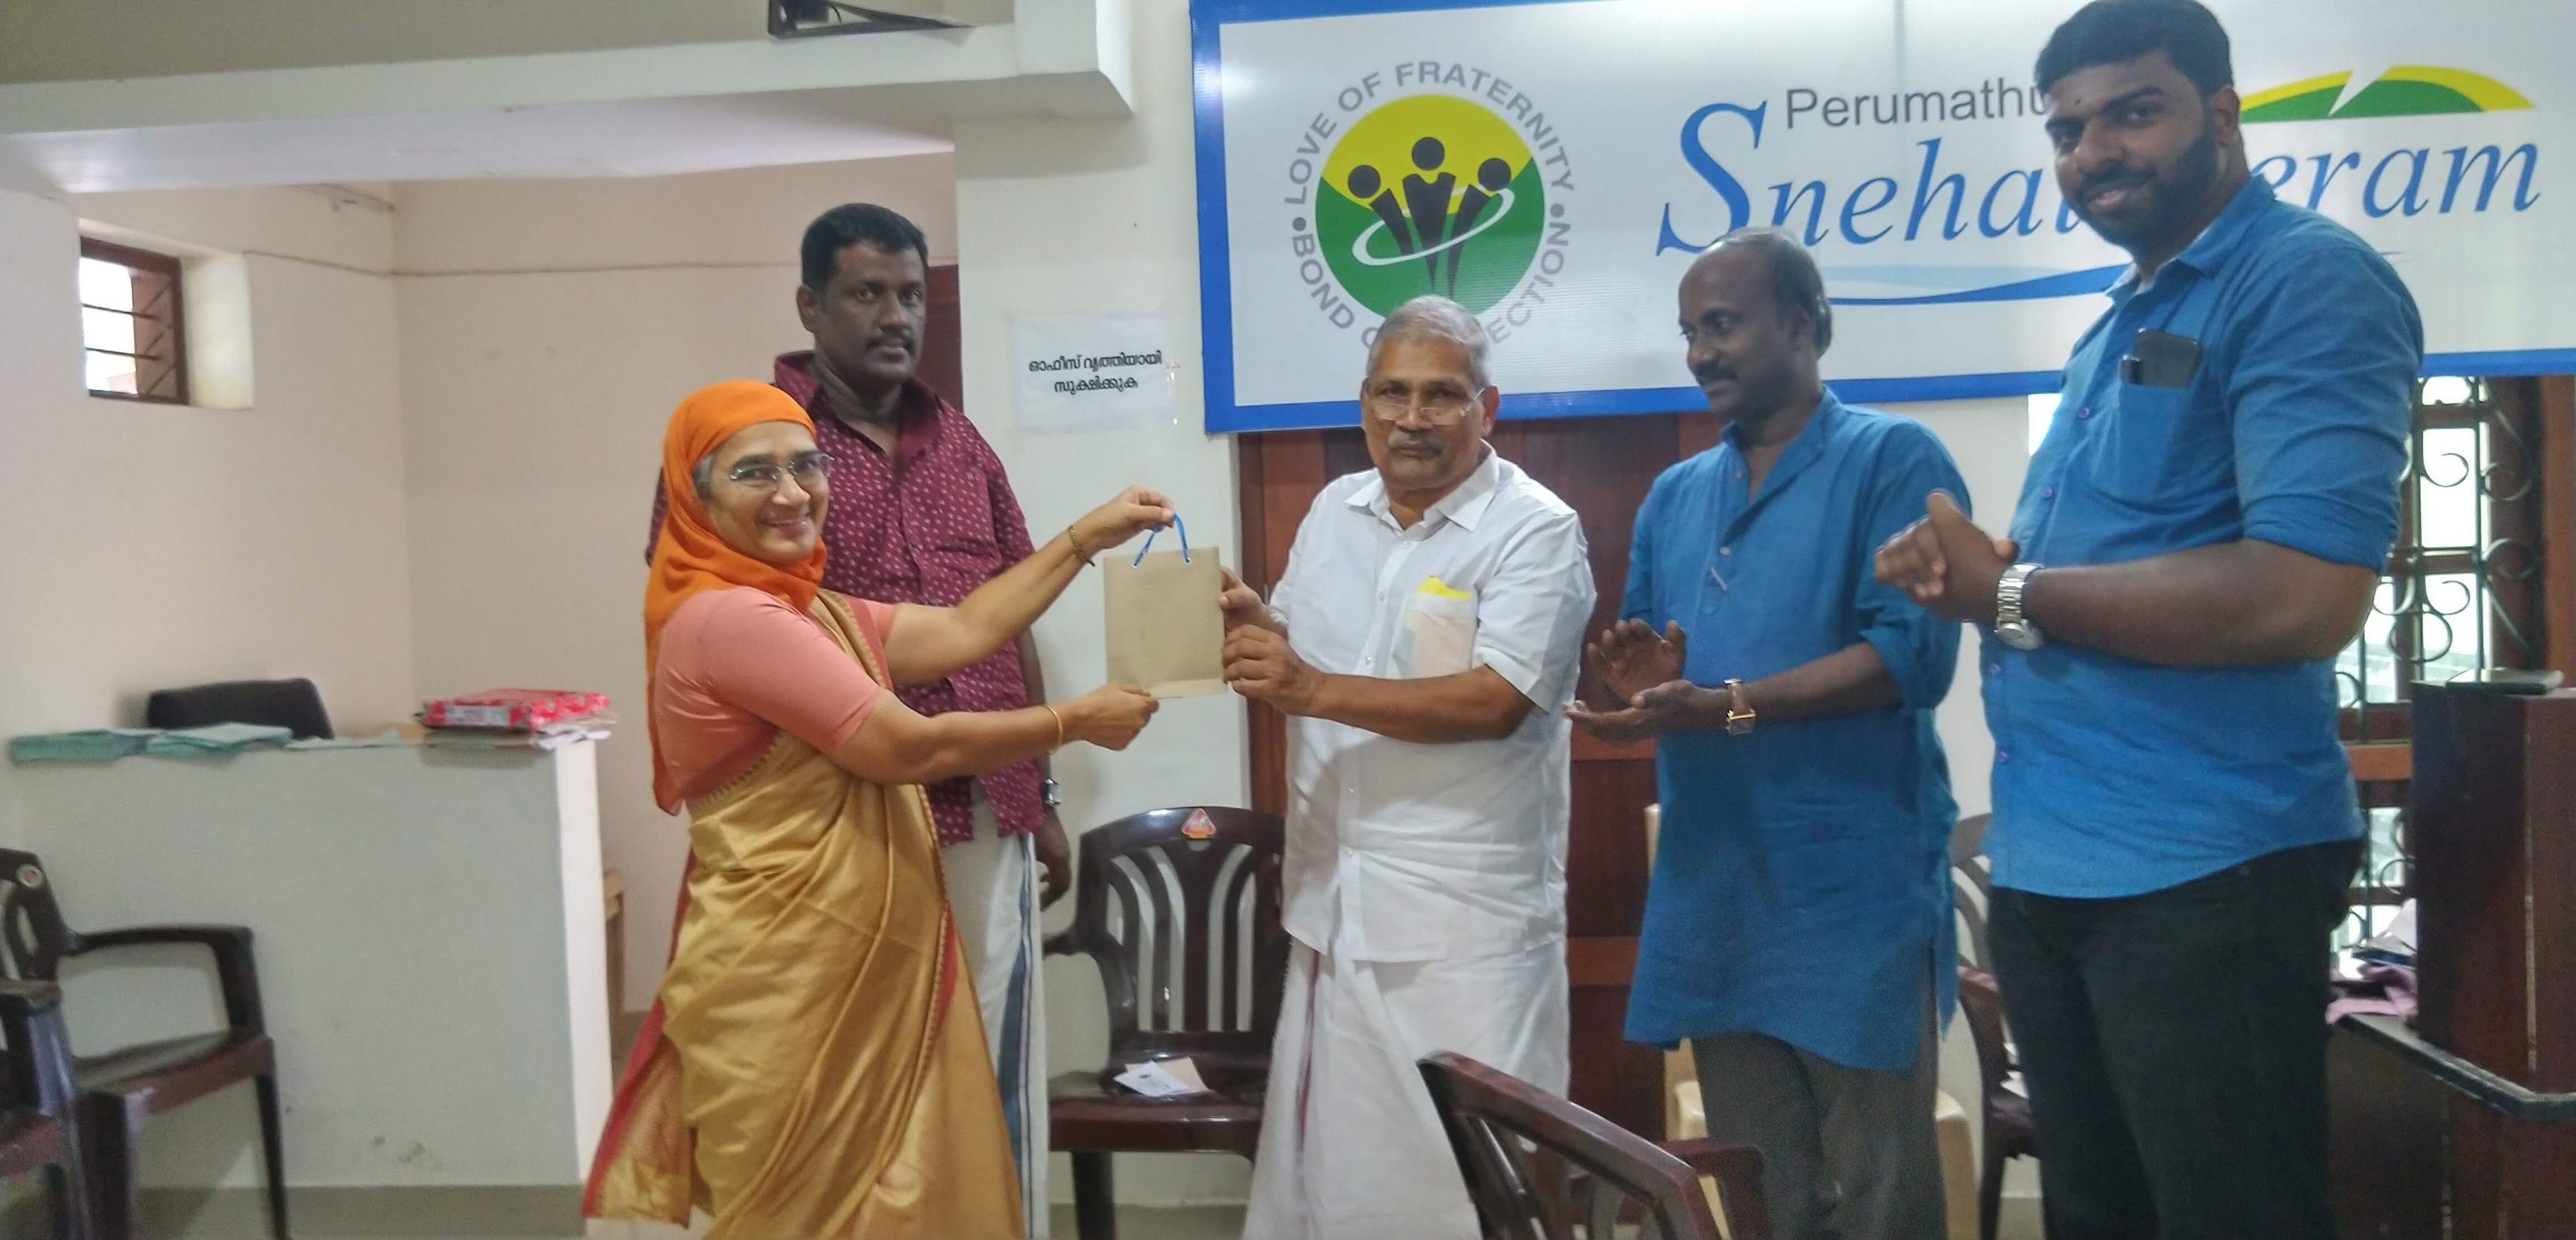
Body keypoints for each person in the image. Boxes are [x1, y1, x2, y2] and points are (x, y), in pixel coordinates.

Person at [1872, 4, 2422, 1236]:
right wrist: (1985, 565)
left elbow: (2304, 592)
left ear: (2223, 115)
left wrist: (2007, 592)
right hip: (2057, 861)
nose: (2093, 151)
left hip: (2207, 873)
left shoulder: (2306, 280)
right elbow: (2114, 563)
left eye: (2133, 112)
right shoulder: (2120, 318)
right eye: (2068, 130)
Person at [588, 380, 1169, 1238]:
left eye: (806, 465)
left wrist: (1086, 536)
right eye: (755, 473)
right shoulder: (731, 620)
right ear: (696, 495)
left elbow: (965, 628)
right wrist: (1071, 722)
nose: (792, 493)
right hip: (786, 979)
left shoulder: (807, 609)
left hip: (843, 966)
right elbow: (908, 748)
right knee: (807, 1211)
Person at [644, 203, 1066, 1235]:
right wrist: (1078, 723)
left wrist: (1042, 792)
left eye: (911, 295)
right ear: (811, 303)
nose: (894, 316)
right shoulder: (756, 442)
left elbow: (1000, 614)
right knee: (851, 1070)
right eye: (867, 293)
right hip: (837, 829)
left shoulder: (962, 440)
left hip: (985, 804)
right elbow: (703, 600)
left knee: (992, 1049)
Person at [1566, 230, 1965, 1240]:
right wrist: (1644, 686)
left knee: (1880, 1194)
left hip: (1851, 892)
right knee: (1762, 1192)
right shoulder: (1676, 493)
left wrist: (1729, 702)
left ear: (1804, 323)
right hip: (1720, 887)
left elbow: (1912, 659)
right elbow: (1662, 663)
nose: (1701, 351)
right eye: (1689, 331)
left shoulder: (1893, 458)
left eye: (1723, 324)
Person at [1225, 295, 1595, 1240]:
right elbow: (1301, 639)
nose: (1412, 417)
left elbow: (1497, 699)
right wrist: (1252, 624)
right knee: (1349, 1197)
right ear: (1364, 403)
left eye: (1442, 395)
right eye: (1393, 392)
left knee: (1477, 1194)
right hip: (1336, 908)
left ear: (1487, 408)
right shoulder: (1332, 510)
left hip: (1463, 927)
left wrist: (1308, 686)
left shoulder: (1535, 529)